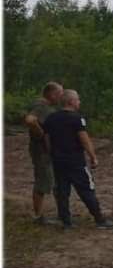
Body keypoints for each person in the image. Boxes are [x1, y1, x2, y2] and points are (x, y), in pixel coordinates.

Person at [42, 89, 113, 230]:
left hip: (58, 161)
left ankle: (66, 222)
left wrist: (52, 154)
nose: (79, 102)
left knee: (62, 192)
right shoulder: (76, 118)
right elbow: (84, 140)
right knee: (87, 190)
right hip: (75, 161)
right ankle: (100, 220)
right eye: (78, 99)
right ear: (71, 102)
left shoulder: (51, 118)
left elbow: (47, 139)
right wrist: (93, 157)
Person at [23, 81, 64, 224]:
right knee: (43, 180)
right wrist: (40, 134)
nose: (61, 97)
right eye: (60, 94)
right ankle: (38, 216)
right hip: (41, 151)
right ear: (52, 94)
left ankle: (60, 212)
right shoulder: (41, 106)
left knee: (52, 179)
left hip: (48, 150)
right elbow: (30, 120)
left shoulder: (46, 106)